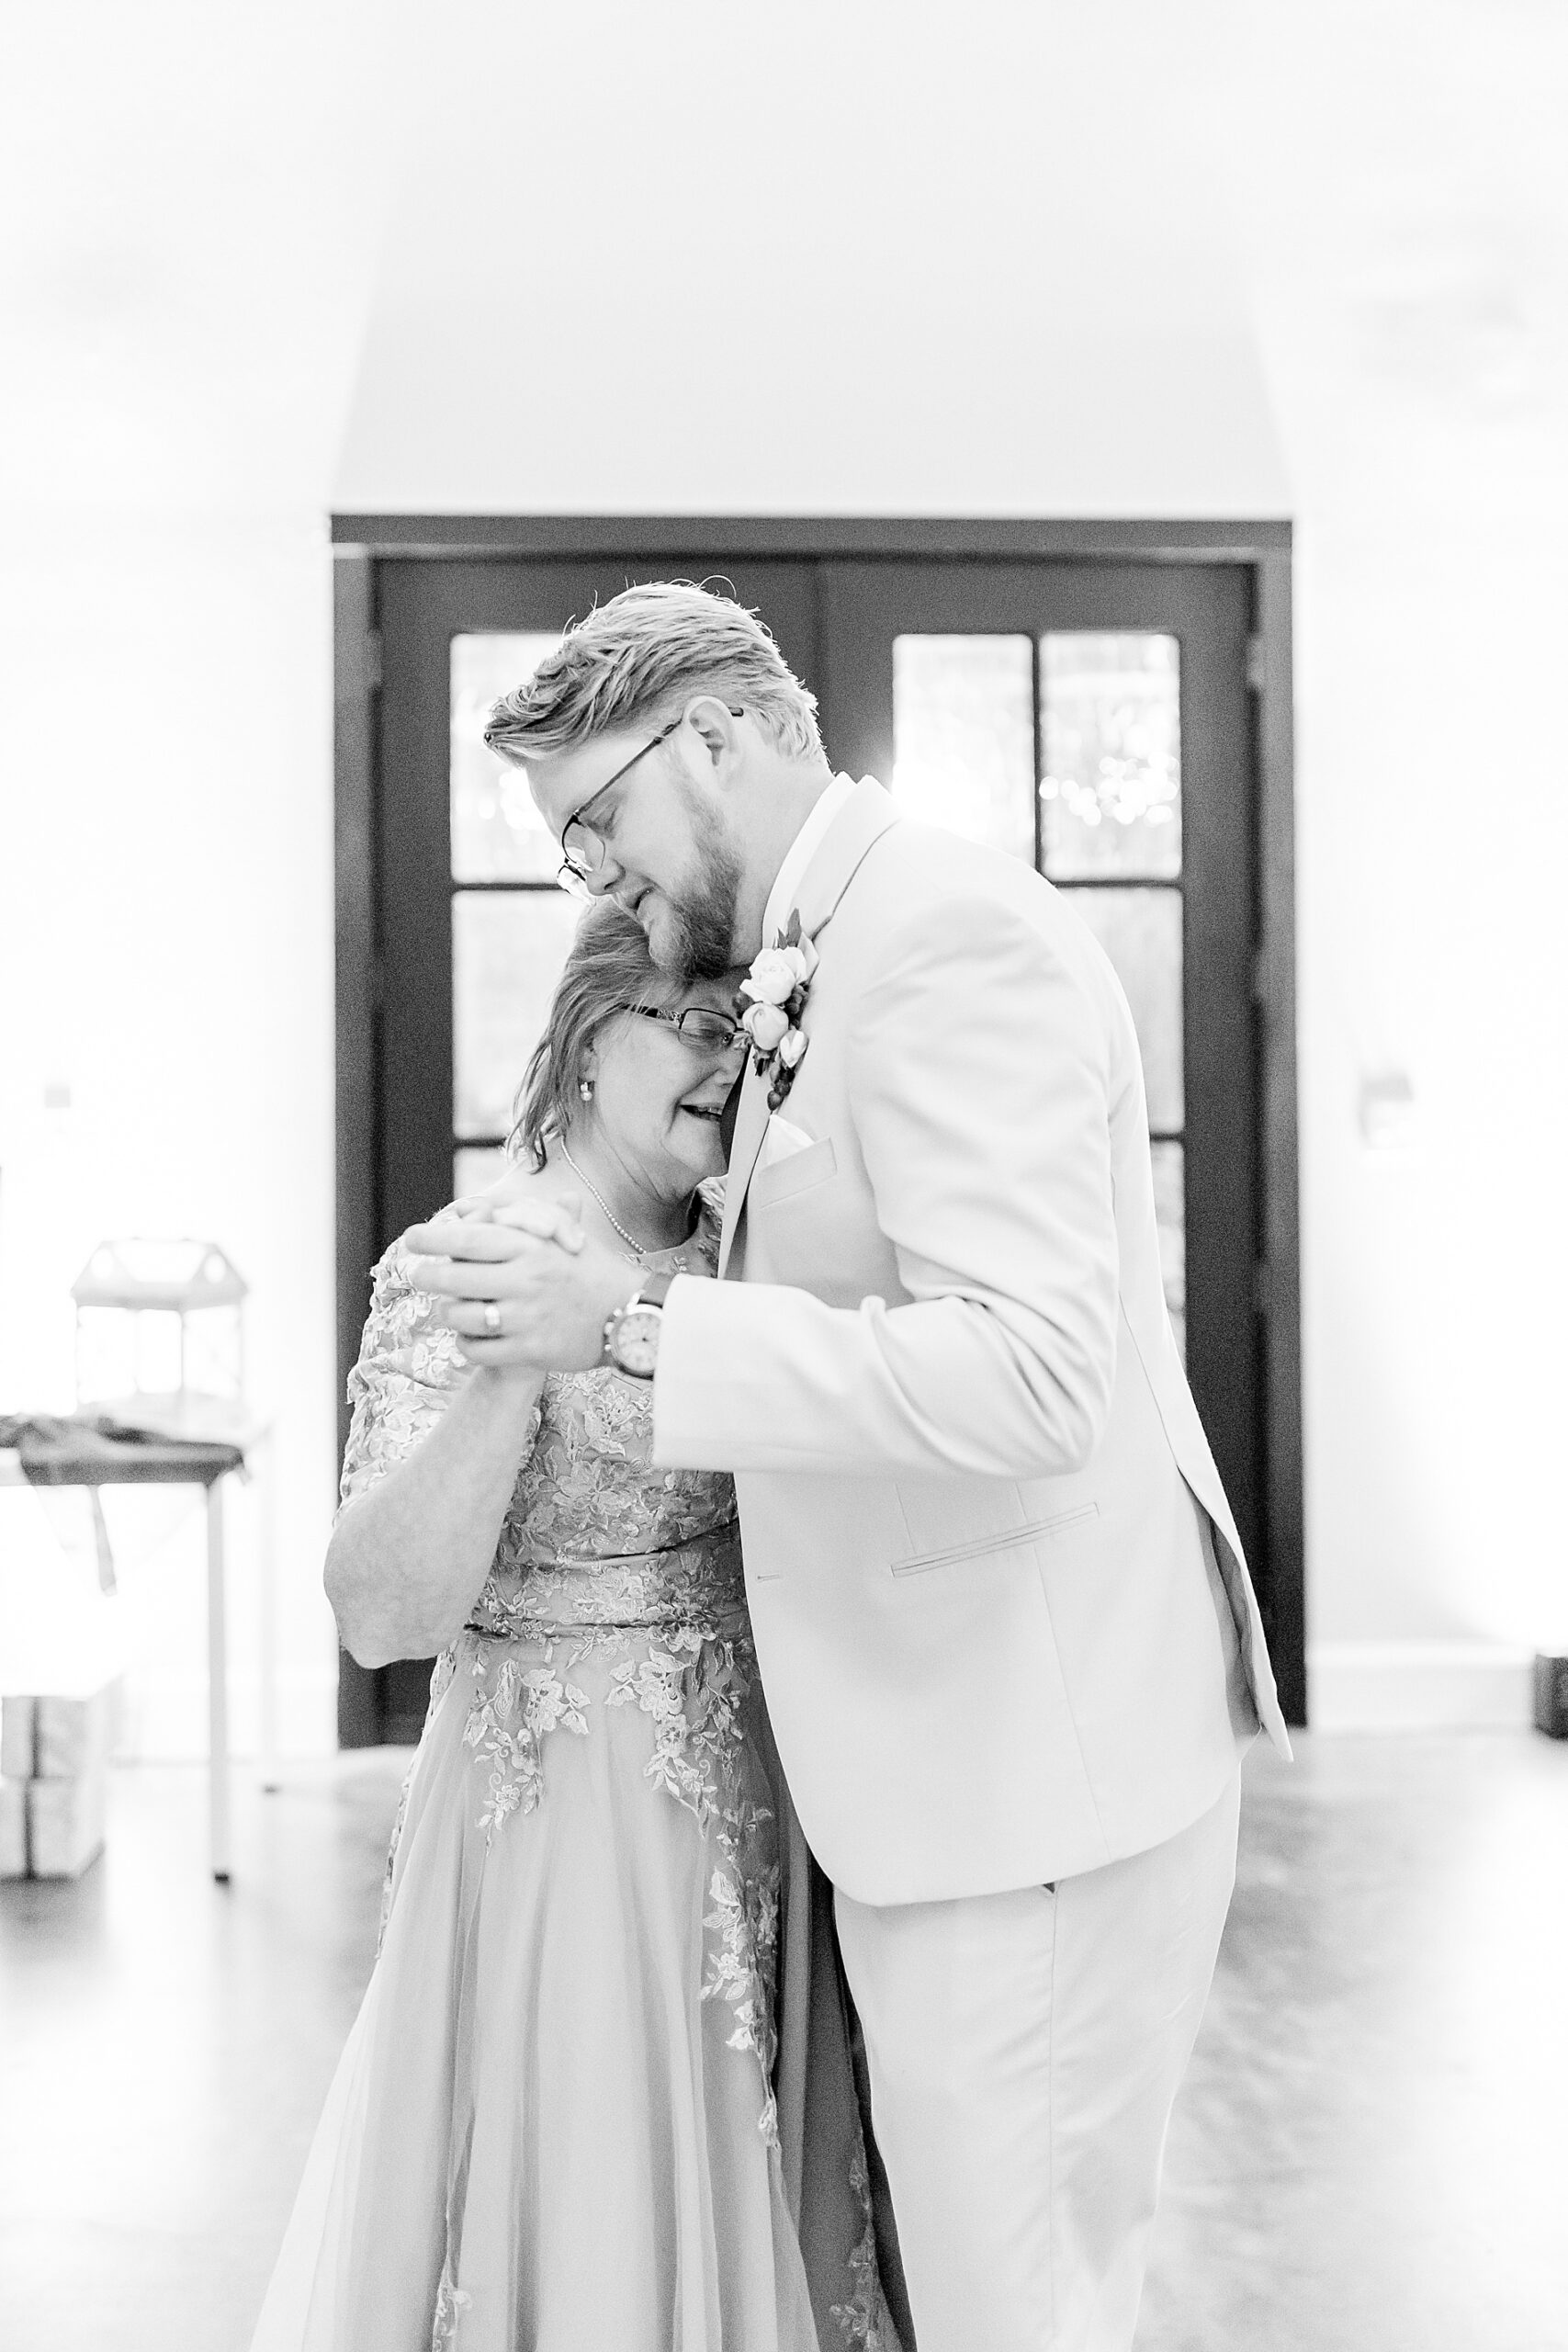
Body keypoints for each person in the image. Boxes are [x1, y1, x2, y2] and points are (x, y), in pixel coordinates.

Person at [409, 582, 1294, 2352]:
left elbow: (1040, 1371)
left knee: (1016, 2309)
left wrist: (639, 1330)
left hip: (1030, 1782)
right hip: (953, 1773)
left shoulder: (946, 937)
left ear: (720, 737)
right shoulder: (830, 945)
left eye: (595, 827)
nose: (594, 887)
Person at [250, 900, 906, 2352]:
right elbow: (376, 1613)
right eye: (695, 1024)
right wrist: (515, 1373)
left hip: (777, 1818)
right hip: (569, 1840)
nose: (732, 1065)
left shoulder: (760, 1259)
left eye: (759, 1037)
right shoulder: (471, 1262)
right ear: (587, 1034)